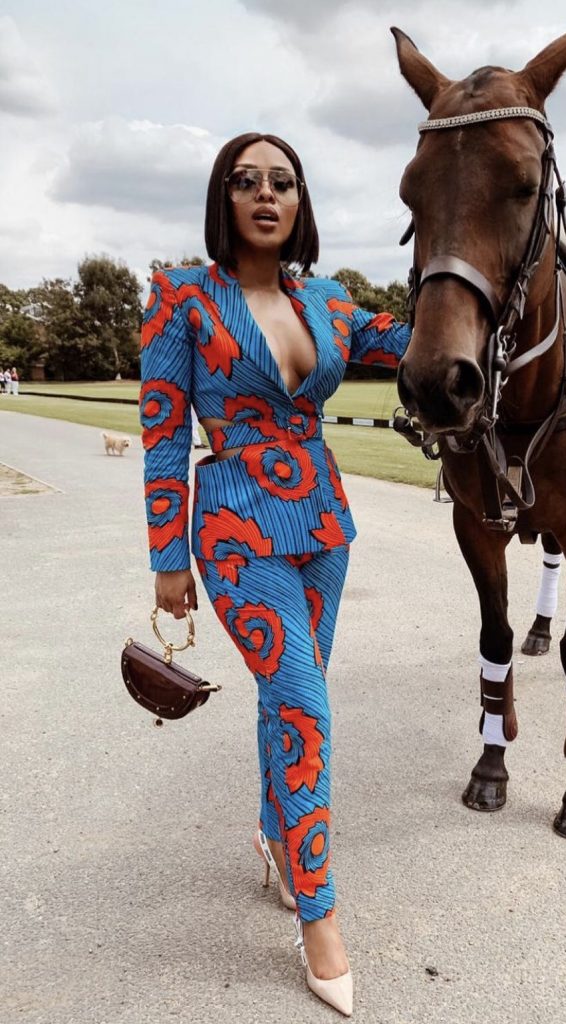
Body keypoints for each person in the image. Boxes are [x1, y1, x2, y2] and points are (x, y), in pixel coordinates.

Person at [139, 132, 410, 1016]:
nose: (266, 194)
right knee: (303, 703)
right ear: (223, 198)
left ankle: (276, 837)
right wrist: (167, 556)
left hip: (322, 523)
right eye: (246, 180)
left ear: (300, 202)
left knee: (290, 696)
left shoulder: (329, 301)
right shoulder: (183, 296)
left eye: (283, 182)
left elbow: (418, 340)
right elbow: (162, 429)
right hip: (232, 528)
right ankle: (319, 914)